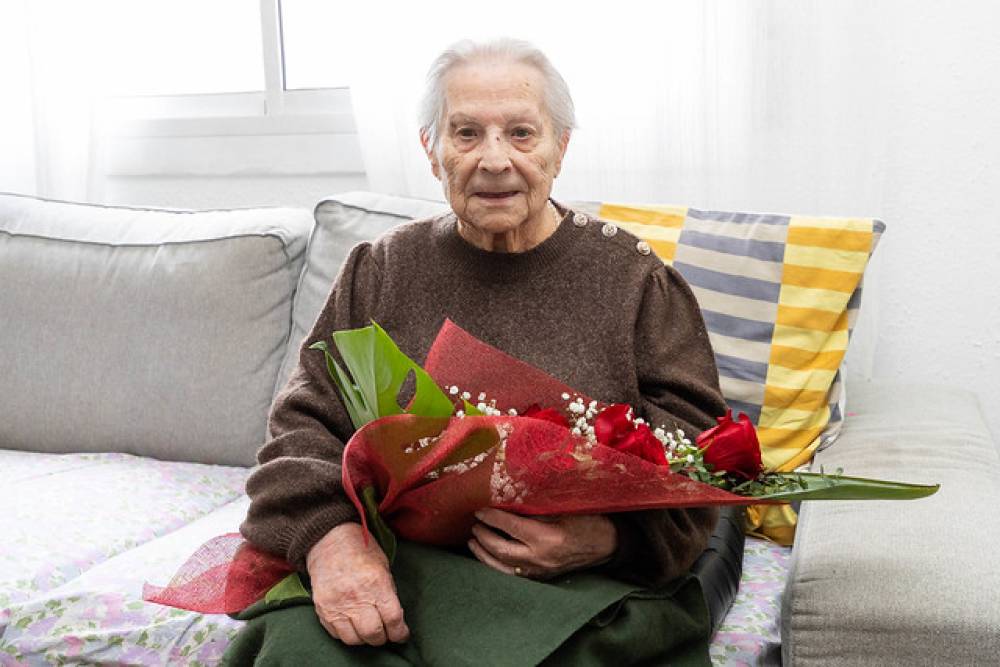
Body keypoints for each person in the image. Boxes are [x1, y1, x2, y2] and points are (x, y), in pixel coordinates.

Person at [235, 38, 734, 663]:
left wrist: (607, 538)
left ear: (561, 148)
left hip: (571, 585)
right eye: (466, 133)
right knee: (297, 648)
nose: (494, 160)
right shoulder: (382, 269)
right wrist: (332, 542)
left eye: (522, 133)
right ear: (431, 150)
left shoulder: (635, 280)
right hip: (399, 565)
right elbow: (301, 427)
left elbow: (699, 457)